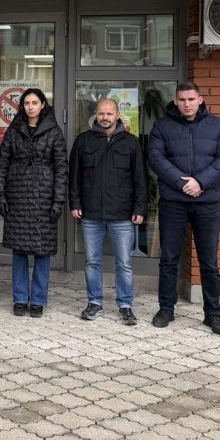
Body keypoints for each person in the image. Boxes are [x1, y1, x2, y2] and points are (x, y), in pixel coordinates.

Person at [148, 81, 220, 336]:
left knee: (209, 262)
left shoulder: (217, 126)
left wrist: (200, 183)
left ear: (200, 99)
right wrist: (181, 182)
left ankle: (213, 314)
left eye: (191, 99)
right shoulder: (162, 126)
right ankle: (166, 309)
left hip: (207, 202)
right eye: (182, 100)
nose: (187, 104)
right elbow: (156, 158)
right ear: (175, 101)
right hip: (173, 202)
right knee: (169, 259)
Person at [68, 98, 148, 326]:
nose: (105, 118)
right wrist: (75, 203)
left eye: (109, 113)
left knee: (124, 263)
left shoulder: (131, 143)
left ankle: (125, 305)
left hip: (122, 214)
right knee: (92, 262)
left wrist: (139, 208)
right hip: (90, 213)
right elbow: (74, 176)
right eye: (101, 113)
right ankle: (94, 302)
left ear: (117, 115)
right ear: (96, 114)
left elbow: (140, 179)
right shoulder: (83, 141)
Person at [0, 88, 67, 318]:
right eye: (26, 103)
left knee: (42, 251)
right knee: (19, 250)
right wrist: (1, 193)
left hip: (44, 197)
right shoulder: (14, 129)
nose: (30, 107)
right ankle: (19, 298)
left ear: (43, 104)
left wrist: (58, 201)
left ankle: (38, 299)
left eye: (34, 103)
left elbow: (61, 169)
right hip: (17, 196)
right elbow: (3, 162)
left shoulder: (54, 131)